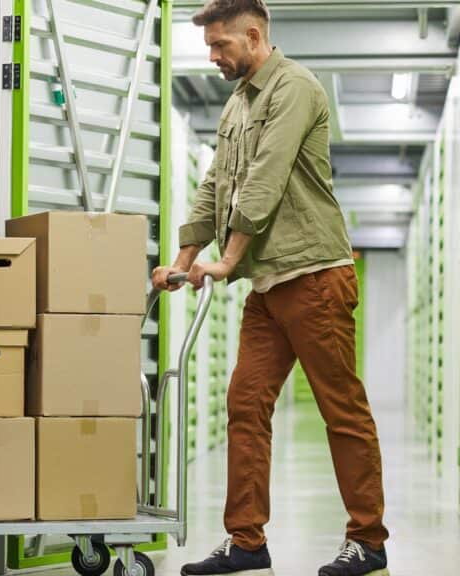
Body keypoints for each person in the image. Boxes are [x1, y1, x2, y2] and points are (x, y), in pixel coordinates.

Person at [151, 1, 391, 575]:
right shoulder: (237, 105)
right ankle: (247, 542)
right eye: (209, 47)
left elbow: (266, 180)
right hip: (268, 285)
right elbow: (217, 187)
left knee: (342, 409)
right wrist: (183, 261)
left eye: (220, 46)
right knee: (245, 403)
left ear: (253, 37)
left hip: (315, 276)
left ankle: (369, 540)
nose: (212, 57)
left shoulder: (296, 88)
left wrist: (227, 261)